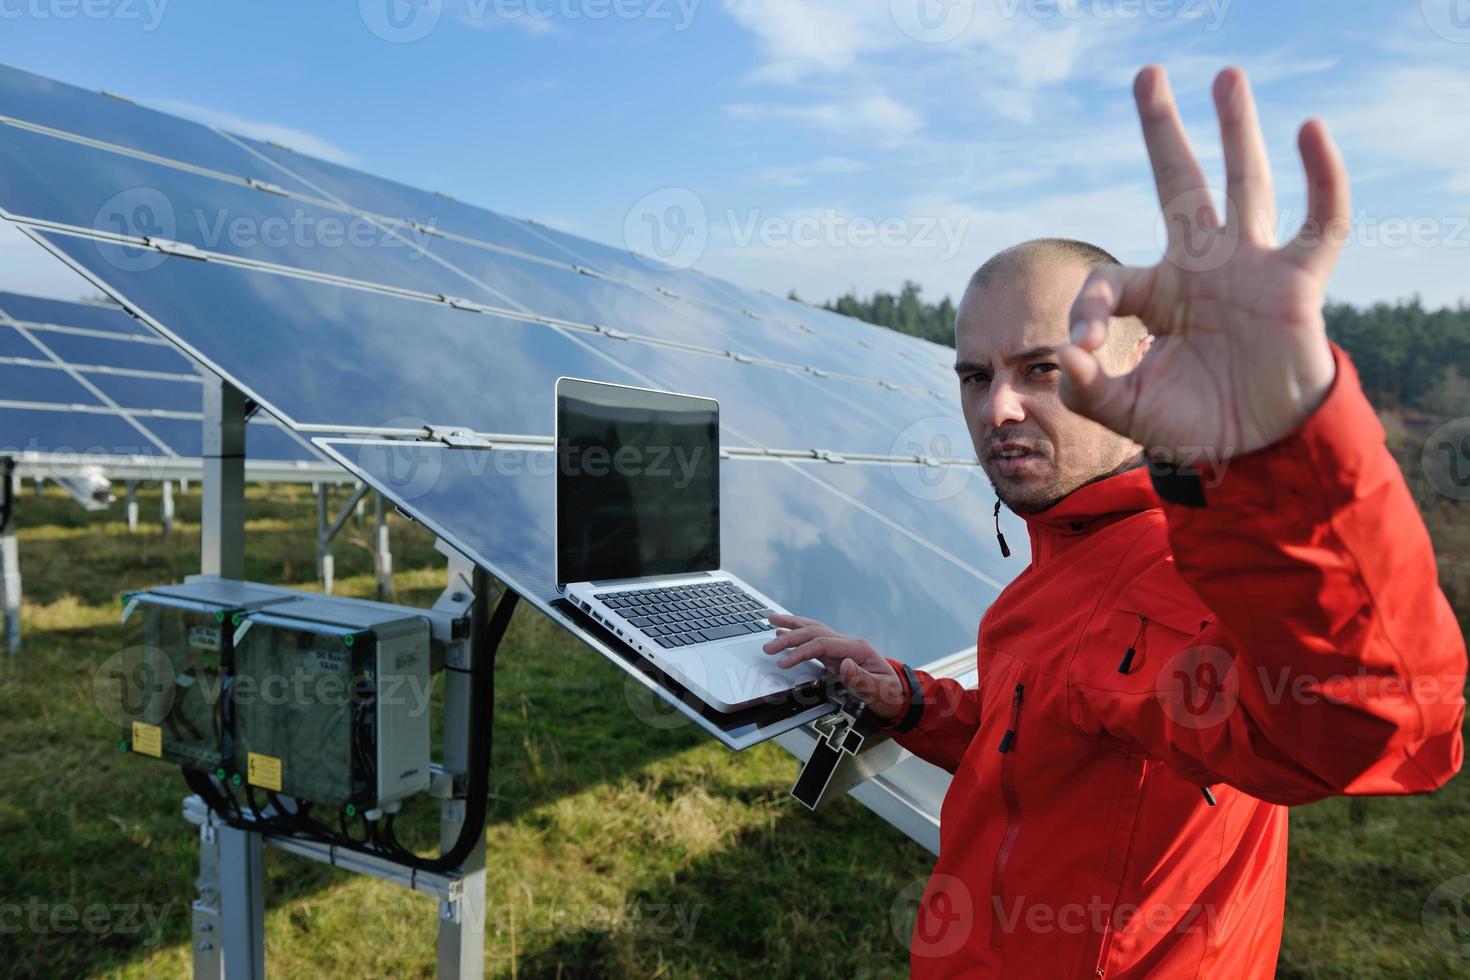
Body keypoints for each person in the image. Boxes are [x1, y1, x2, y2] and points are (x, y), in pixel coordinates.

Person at [763, 65, 1467, 978]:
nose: (998, 410)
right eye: (975, 376)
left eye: (1041, 370)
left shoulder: (1179, 582)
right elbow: (1047, 744)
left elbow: (1384, 723)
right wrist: (918, 699)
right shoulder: (1063, 563)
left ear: (1139, 365)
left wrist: (1282, 447)